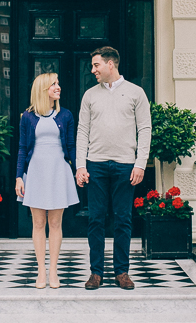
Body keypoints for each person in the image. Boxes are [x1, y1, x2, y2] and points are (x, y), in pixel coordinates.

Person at [76, 46, 151, 290]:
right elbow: (82, 131)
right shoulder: (89, 95)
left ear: (111, 64)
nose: (92, 70)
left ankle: (122, 272)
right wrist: (80, 165)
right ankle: (96, 272)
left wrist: (140, 163)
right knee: (95, 220)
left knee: (123, 220)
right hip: (96, 165)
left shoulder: (136, 93)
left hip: (125, 166)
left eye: (96, 65)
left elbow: (145, 129)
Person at [15, 72, 79, 289]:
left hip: (58, 171)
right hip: (36, 172)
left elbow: (70, 146)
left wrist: (79, 169)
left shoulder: (66, 115)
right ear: (43, 89)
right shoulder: (27, 117)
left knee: (55, 222)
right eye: (53, 84)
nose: (58, 87)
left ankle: (53, 270)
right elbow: (23, 148)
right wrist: (19, 177)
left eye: (58, 83)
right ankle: (40, 270)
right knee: (38, 222)